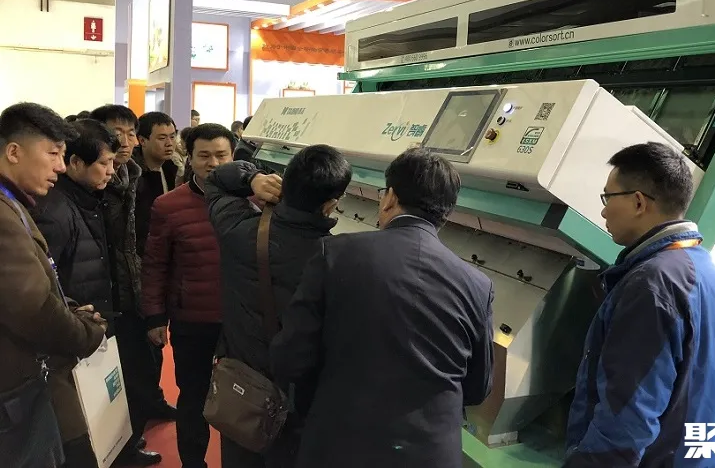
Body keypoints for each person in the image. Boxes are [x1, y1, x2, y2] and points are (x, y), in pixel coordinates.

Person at [270, 147, 495, 468]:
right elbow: (477, 389)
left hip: (341, 446)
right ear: (446, 213)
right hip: (431, 455)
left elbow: (291, 358)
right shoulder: (478, 285)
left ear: (390, 198)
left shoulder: (333, 254)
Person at [563, 142, 715, 467]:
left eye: (608, 197)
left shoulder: (653, 282)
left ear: (638, 202)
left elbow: (627, 416)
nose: (604, 211)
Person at [205, 145, 351, 468]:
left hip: (242, 389)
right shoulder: (337, 259)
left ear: (284, 181)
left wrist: (252, 178)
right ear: (331, 204)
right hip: (301, 403)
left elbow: (214, 181)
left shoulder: (237, 230)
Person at [0, 103, 107, 468]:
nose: (61, 167)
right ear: (14, 152)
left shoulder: (13, 203)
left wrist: (69, 309)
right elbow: (32, 308)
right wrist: (86, 334)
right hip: (14, 389)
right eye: (53, 154)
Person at [142, 124, 234, 468]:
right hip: (192, 321)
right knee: (193, 398)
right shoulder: (168, 206)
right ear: (190, 158)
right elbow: (155, 264)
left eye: (221, 155)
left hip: (239, 322)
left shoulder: (252, 201)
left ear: (233, 157)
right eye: (204, 155)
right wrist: (155, 316)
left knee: (242, 399)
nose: (213, 163)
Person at [31, 119, 121, 467]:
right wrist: (79, 326)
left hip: (88, 328)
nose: (112, 171)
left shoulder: (87, 199)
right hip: (70, 340)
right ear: (76, 163)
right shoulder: (53, 210)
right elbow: (45, 287)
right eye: (104, 163)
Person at [90, 105, 168, 465]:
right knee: (117, 377)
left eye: (129, 132)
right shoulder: (94, 185)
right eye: (115, 133)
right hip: (105, 298)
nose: (124, 140)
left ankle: (136, 429)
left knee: (143, 364)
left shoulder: (132, 176)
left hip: (134, 289)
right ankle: (123, 447)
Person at [133, 111, 178, 257]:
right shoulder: (132, 174)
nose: (169, 143)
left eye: (173, 136)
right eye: (162, 138)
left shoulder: (171, 168)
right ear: (142, 140)